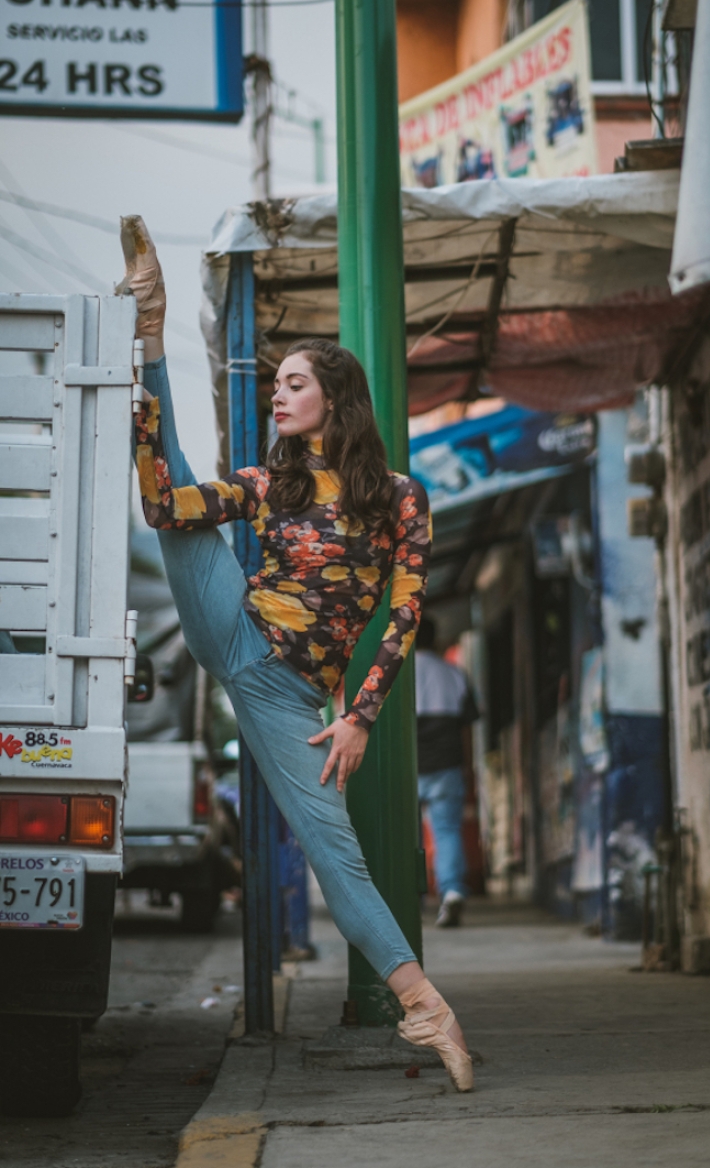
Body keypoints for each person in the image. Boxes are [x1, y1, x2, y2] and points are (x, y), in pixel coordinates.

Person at [120, 217, 472, 1092]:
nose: (277, 396)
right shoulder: (267, 483)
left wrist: (356, 717)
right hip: (235, 628)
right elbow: (166, 504)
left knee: (333, 853)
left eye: (292, 383)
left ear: (334, 396)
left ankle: (425, 1006)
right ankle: (151, 327)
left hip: (289, 698)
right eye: (274, 384)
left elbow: (401, 614)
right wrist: (149, 390)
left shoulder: (399, 499)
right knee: (173, 507)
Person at [415, 617, 479, 928]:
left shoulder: (394, 673)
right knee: (447, 832)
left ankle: (408, 896)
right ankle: (451, 891)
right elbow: (466, 728)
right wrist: (467, 767)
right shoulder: (454, 674)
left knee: (406, 836)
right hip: (446, 765)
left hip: (408, 768)